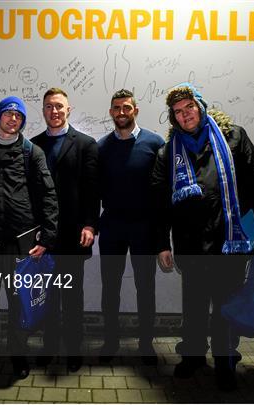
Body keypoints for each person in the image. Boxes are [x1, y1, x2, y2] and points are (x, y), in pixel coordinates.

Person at [152, 83, 254, 390]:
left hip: (230, 240)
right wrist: (161, 244)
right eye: (178, 112)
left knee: (225, 304)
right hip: (190, 243)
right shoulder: (169, 153)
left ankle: (224, 361)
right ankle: (193, 357)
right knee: (193, 304)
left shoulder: (233, 137)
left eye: (189, 107)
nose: (185, 115)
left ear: (201, 106)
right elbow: (158, 203)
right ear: (173, 118)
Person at [0, 96, 58, 380]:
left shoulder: (33, 152)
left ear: (23, 121)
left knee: (19, 300)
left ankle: (18, 354)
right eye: (8, 113)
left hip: (22, 241)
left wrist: (48, 236)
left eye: (18, 115)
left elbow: (48, 194)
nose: (13, 118)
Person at [31, 88, 99, 372]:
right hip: (43, 236)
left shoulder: (86, 144)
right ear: (43, 111)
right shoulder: (32, 145)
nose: (54, 111)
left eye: (59, 106)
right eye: (48, 107)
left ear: (68, 109)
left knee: (72, 297)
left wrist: (90, 224)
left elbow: (93, 189)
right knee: (47, 295)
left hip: (74, 234)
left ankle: (73, 350)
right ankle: (48, 347)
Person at [97, 89, 164, 365]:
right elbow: (94, 189)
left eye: (126, 107)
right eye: (116, 108)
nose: (121, 113)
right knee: (110, 287)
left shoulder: (155, 142)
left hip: (144, 227)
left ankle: (146, 344)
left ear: (135, 110)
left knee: (145, 287)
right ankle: (110, 341)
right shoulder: (101, 147)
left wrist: (162, 237)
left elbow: (162, 192)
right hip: (112, 225)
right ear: (111, 112)